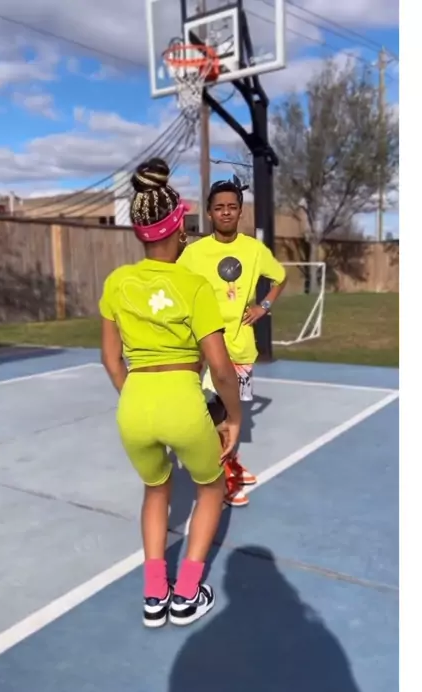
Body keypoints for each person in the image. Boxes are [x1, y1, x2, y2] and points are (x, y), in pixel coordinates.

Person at [99, 158, 242, 629]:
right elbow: (220, 367)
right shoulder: (194, 285)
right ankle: (186, 594)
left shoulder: (117, 283)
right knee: (211, 487)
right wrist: (234, 418)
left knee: (156, 490)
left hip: (134, 405)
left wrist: (137, 396)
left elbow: (111, 360)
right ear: (180, 228)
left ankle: (154, 593)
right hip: (183, 402)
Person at [177, 177, 287, 508]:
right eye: (219, 207)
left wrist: (263, 306)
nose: (225, 212)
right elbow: (176, 287)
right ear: (209, 213)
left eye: (232, 207)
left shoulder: (254, 250)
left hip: (241, 348)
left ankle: (230, 462)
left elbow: (280, 277)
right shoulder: (194, 253)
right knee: (215, 415)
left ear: (240, 212)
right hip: (208, 349)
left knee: (230, 412)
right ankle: (223, 476)